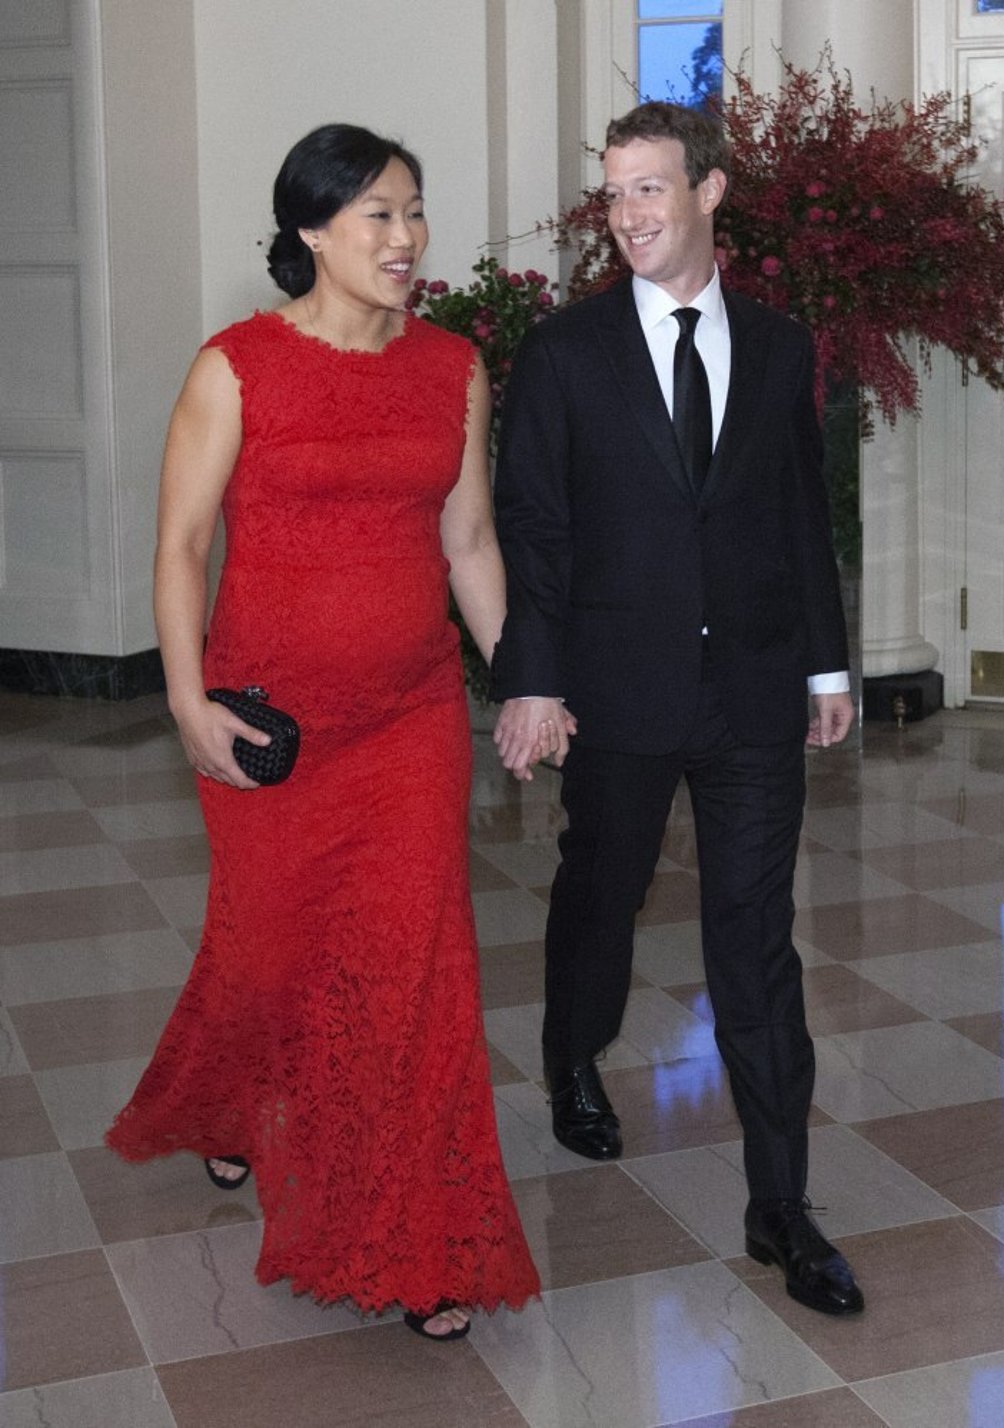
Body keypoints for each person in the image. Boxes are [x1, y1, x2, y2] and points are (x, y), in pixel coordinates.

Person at [106, 123, 542, 1340]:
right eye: (377, 217)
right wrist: (188, 700)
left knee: (410, 977)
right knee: (270, 955)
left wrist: (522, 677)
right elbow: (183, 547)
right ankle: (237, 1096)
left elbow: (468, 544)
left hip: (408, 721)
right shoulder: (235, 366)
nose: (406, 240)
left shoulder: (452, 367)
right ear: (309, 232)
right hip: (270, 726)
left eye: (414, 212)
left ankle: (413, 1241)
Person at [491, 101, 864, 1317]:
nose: (629, 215)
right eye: (613, 194)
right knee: (602, 889)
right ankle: (572, 1056)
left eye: (650, 189)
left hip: (753, 687)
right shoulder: (564, 355)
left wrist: (824, 665)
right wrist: (532, 681)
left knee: (753, 939)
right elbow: (536, 535)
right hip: (617, 689)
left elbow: (797, 514)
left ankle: (780, 1205)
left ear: (710, 192)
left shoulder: (777, 342)